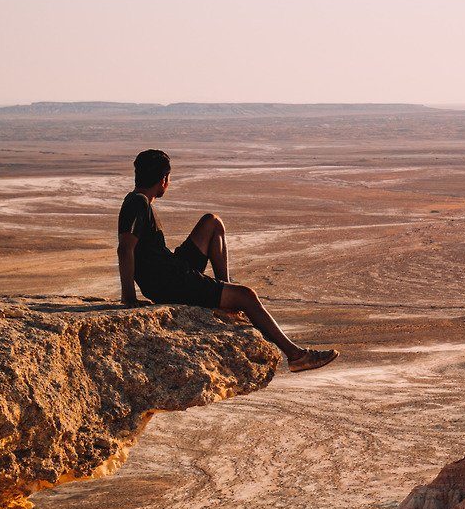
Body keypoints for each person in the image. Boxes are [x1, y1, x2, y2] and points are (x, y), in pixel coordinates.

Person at [117, 149, 338, 372]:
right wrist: (129, 297)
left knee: (212, 222)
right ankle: (296, 355)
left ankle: (225, 289)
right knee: (246, 295)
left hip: (171, 271)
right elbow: (125, 249)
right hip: (170, 281)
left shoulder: (139, 201)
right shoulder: (138, 203)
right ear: (164, 179)